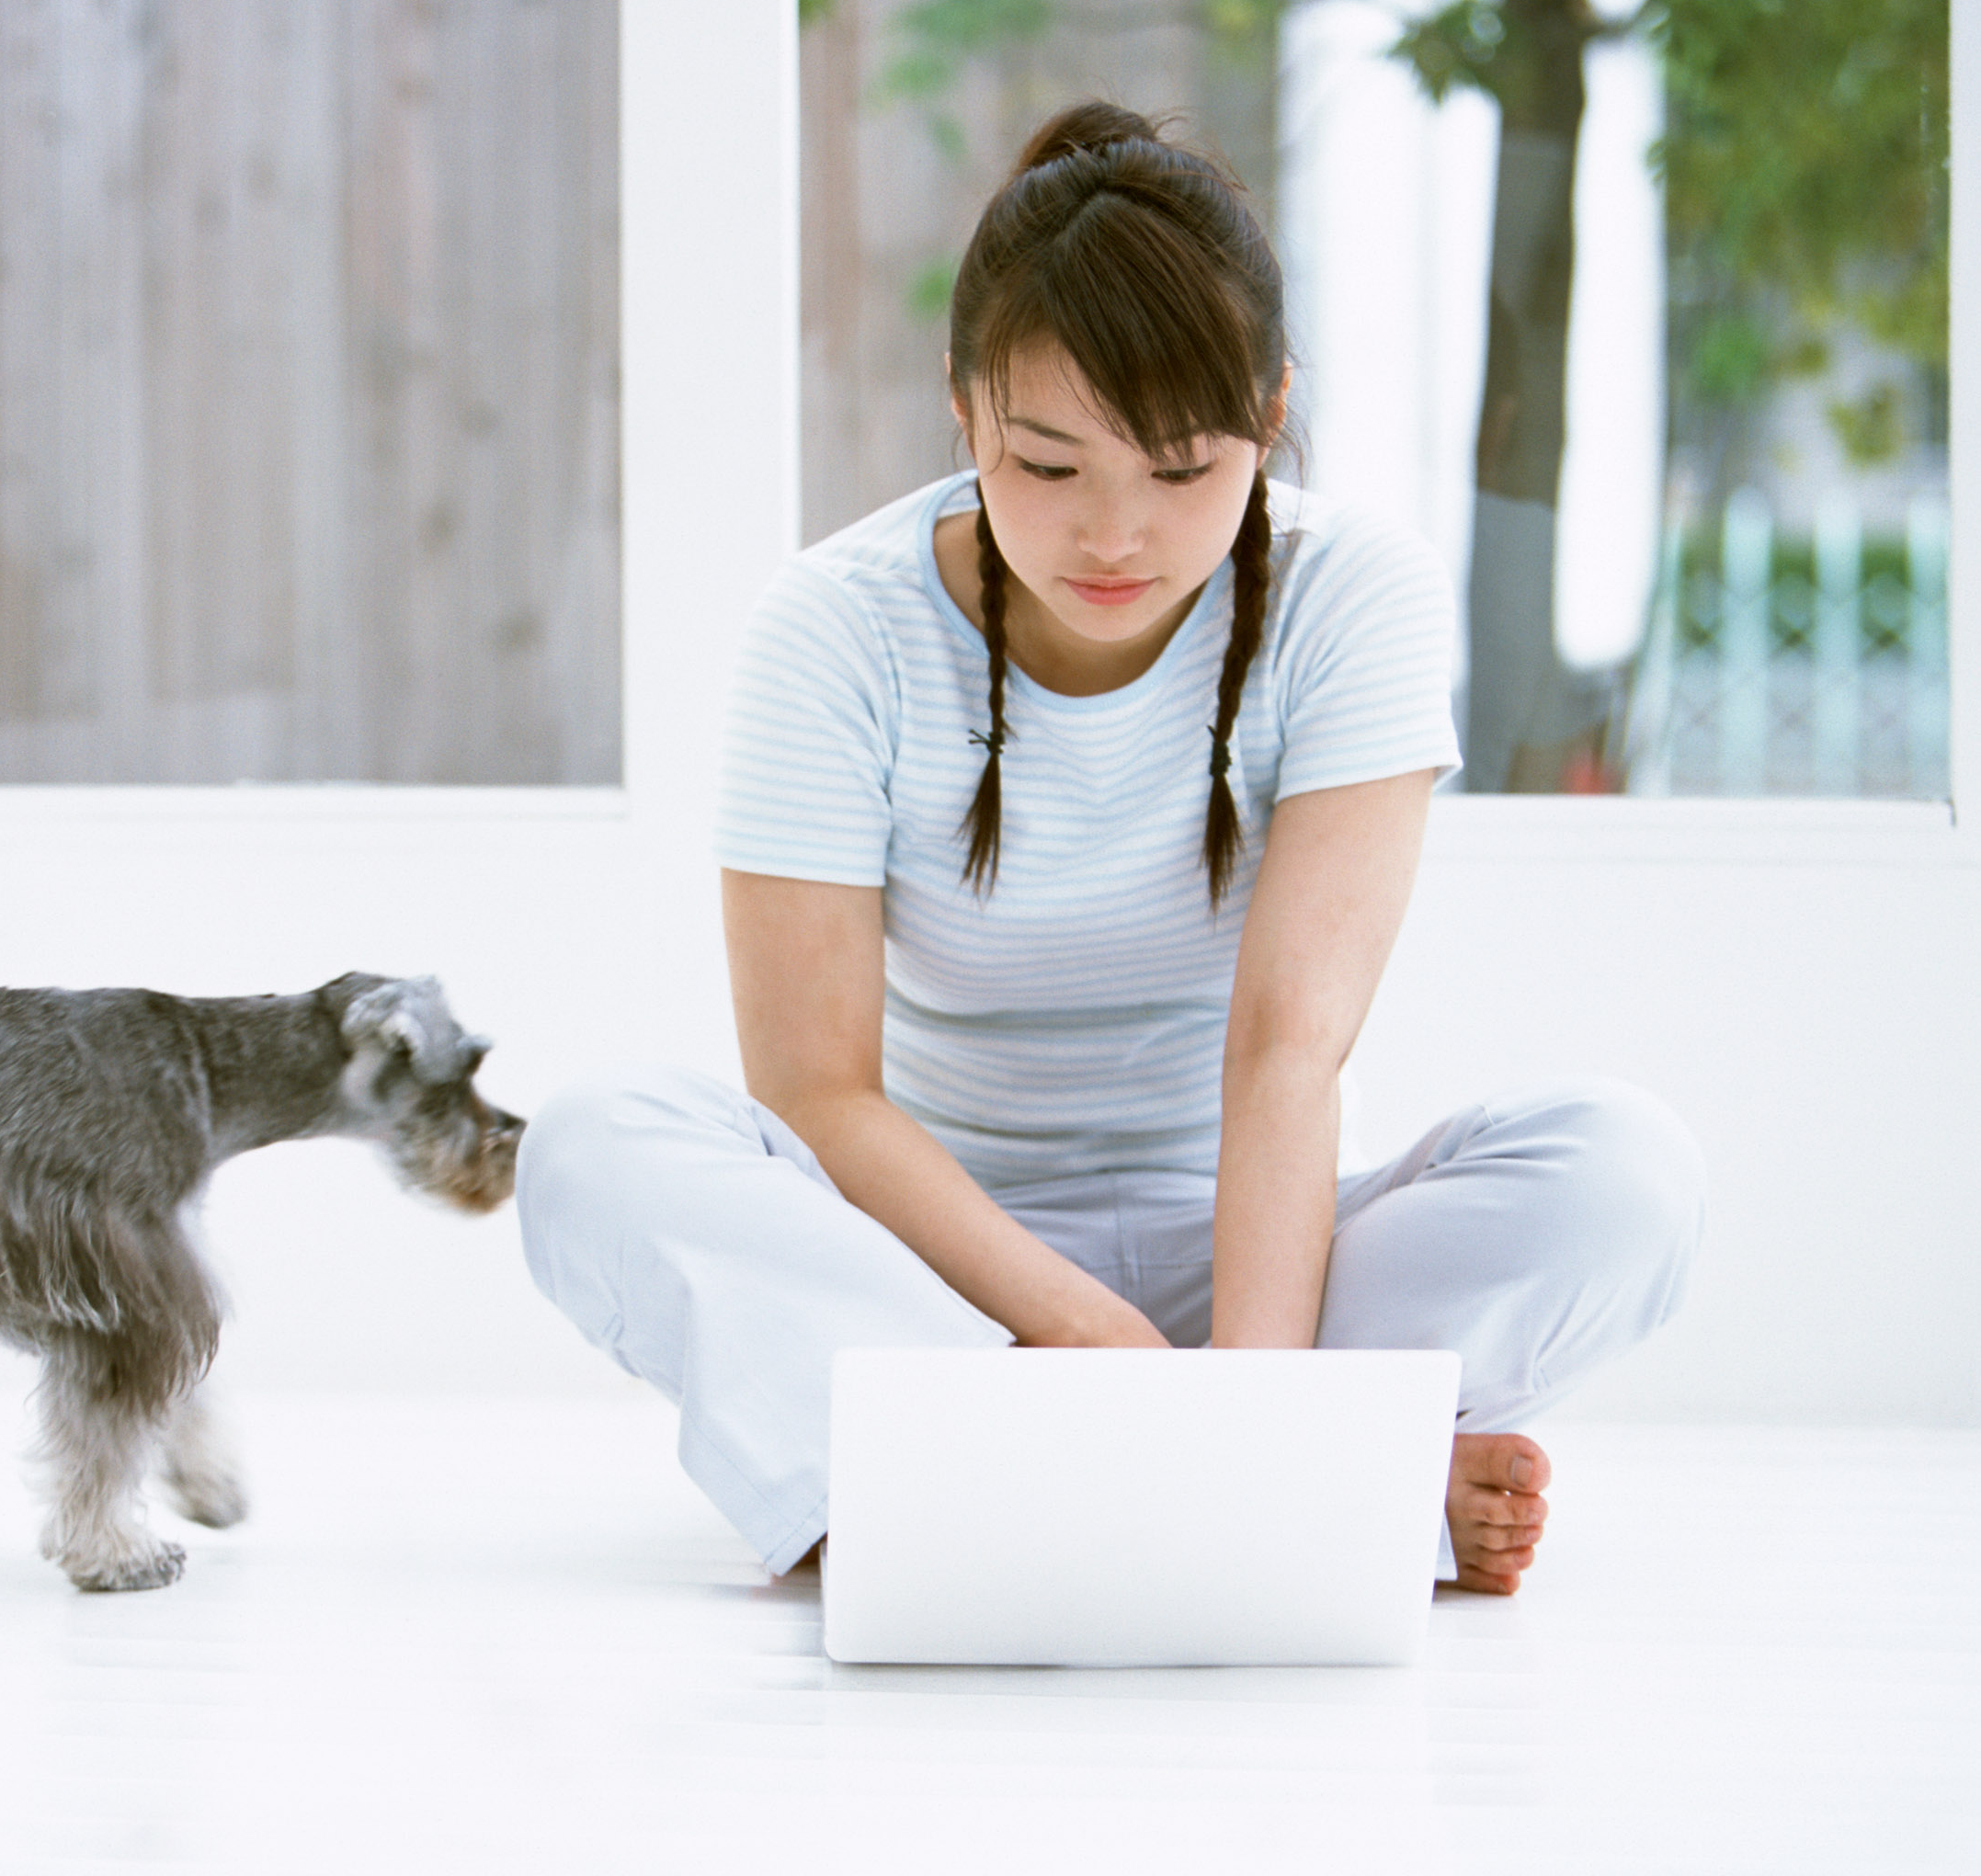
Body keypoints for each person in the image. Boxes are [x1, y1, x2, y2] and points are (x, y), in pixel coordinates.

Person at [514, 103, 1702, 1595]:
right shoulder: (830, 629)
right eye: (1050, 466)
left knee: (1623, 1172)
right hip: (941, 1278)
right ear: (962, 412)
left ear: (1269, 414)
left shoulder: (1356, 598)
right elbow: (816, 1087)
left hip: (1266, 1260)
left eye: (1183, 468)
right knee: (590, 1146)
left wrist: (1247, 1407)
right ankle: (1326, 1484)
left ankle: (1014, 1492)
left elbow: (1288, 1046)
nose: (1114, 536)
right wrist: (1079, 1336)